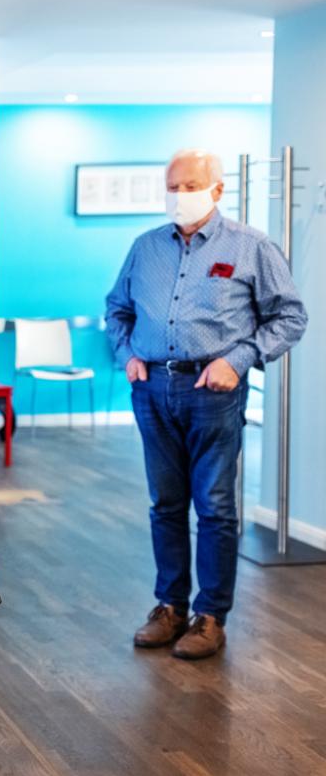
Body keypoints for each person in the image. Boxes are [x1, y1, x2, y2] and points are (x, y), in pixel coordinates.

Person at [105, 148, 307, 660]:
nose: (179, 195)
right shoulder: (145, 247)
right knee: (165, 504)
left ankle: (210, 616)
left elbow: (289, 318)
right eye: (171, 186)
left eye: (190, 185)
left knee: (214, 507)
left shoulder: (251, 247)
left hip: (213, 392)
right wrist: (126, 354)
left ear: (217, 190)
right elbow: (117, 310)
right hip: (152, 389)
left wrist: (239, 360)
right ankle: (169, 607)